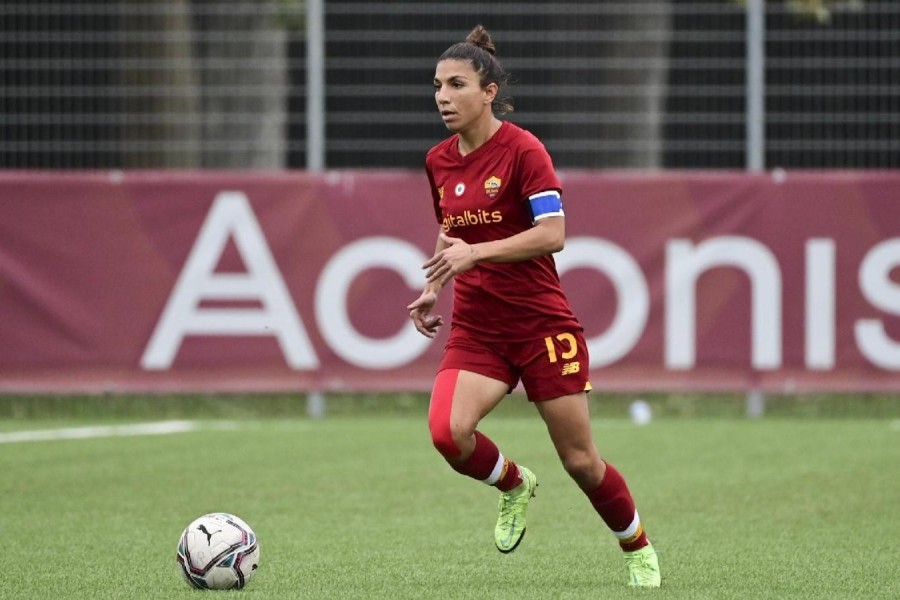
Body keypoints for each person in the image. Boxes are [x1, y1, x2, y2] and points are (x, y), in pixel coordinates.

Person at [406, 25, 661, 588]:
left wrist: (479, 254)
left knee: (580, 462)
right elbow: (451, 232)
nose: (443, 97)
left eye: (456, 85)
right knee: (449, 436)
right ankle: (514, 483)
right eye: (436, 86)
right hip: (478, 328)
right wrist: (434, 285)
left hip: (541, 326)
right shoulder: (438, 161)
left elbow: (553, 234)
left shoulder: (524, 150)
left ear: (489, 91)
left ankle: (636, 546)